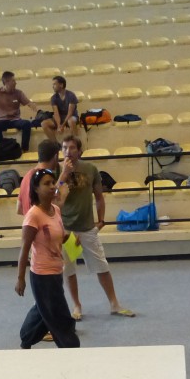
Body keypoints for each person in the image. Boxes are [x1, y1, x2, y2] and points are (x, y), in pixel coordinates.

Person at [58, 135, 134, 318]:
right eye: (65, 148)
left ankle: (114, 304)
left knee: (102, 266)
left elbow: (99, 197)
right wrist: (64, 174)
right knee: (69, 270)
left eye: (72, 147)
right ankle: (77, 306)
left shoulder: (90, 169)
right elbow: (54, 197)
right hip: (66, 229)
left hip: (87, 228)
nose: (68, 151)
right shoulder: (56, 170)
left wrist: (101, 221)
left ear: (79, 151)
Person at [16, 167, 80, 349]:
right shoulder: (33, 216)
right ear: (36, 189)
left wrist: (71, 239)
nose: (52, 186)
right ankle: (71, 349)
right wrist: (20, 278)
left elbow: (57, 236)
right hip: (42, 275)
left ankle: (26, 337)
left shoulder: (56, 210)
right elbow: (24, 248)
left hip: (56, 271)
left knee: (43, 309)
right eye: (47, 184)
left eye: (53, 182)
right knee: (60, 317)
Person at [0, 70, 37, 153]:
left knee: (27, 124)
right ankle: (3, 147)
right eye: (13, 81)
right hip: (3, 120)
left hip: (16, 120)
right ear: (6, 82)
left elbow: (28, 102)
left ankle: (24, 149)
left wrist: (32, 105)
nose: (15, 83)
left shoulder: (18, 93)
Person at [18, 139, 61, 216]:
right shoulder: (45, 178)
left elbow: (19, 209)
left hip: (29, 221)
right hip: (42, 222)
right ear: (55, 157)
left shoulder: (26, 176)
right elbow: (54, 204)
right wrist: (63, 177)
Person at [41, 75, 78, 143]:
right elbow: (56, 113)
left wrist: (62, 125)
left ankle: (75, 143)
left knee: (71, 121)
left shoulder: (71, 95)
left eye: (54, 84)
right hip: (60, 118)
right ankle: (56, 144)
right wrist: (58, 126)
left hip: (71, 116)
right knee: (44, 124)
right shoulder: (53, 98)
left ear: (61, 85)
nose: (53, 86)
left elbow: (70, 113)